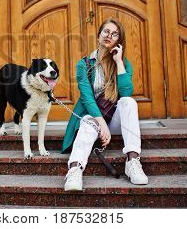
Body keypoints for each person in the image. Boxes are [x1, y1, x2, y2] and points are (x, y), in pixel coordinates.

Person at [62, 18, 148, 191]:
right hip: (92, 118)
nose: (109, 35)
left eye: (114, 34)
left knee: (129, 102)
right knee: (87, 123)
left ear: (119, 41)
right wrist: (101, 124)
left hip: (115, 121)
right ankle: (75, 170)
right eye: (106, 31)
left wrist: (118, 62)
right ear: (99, 35)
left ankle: (132, 161)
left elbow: (125, 93)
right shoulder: (84, 64)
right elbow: (87, 98)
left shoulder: (123, 63)